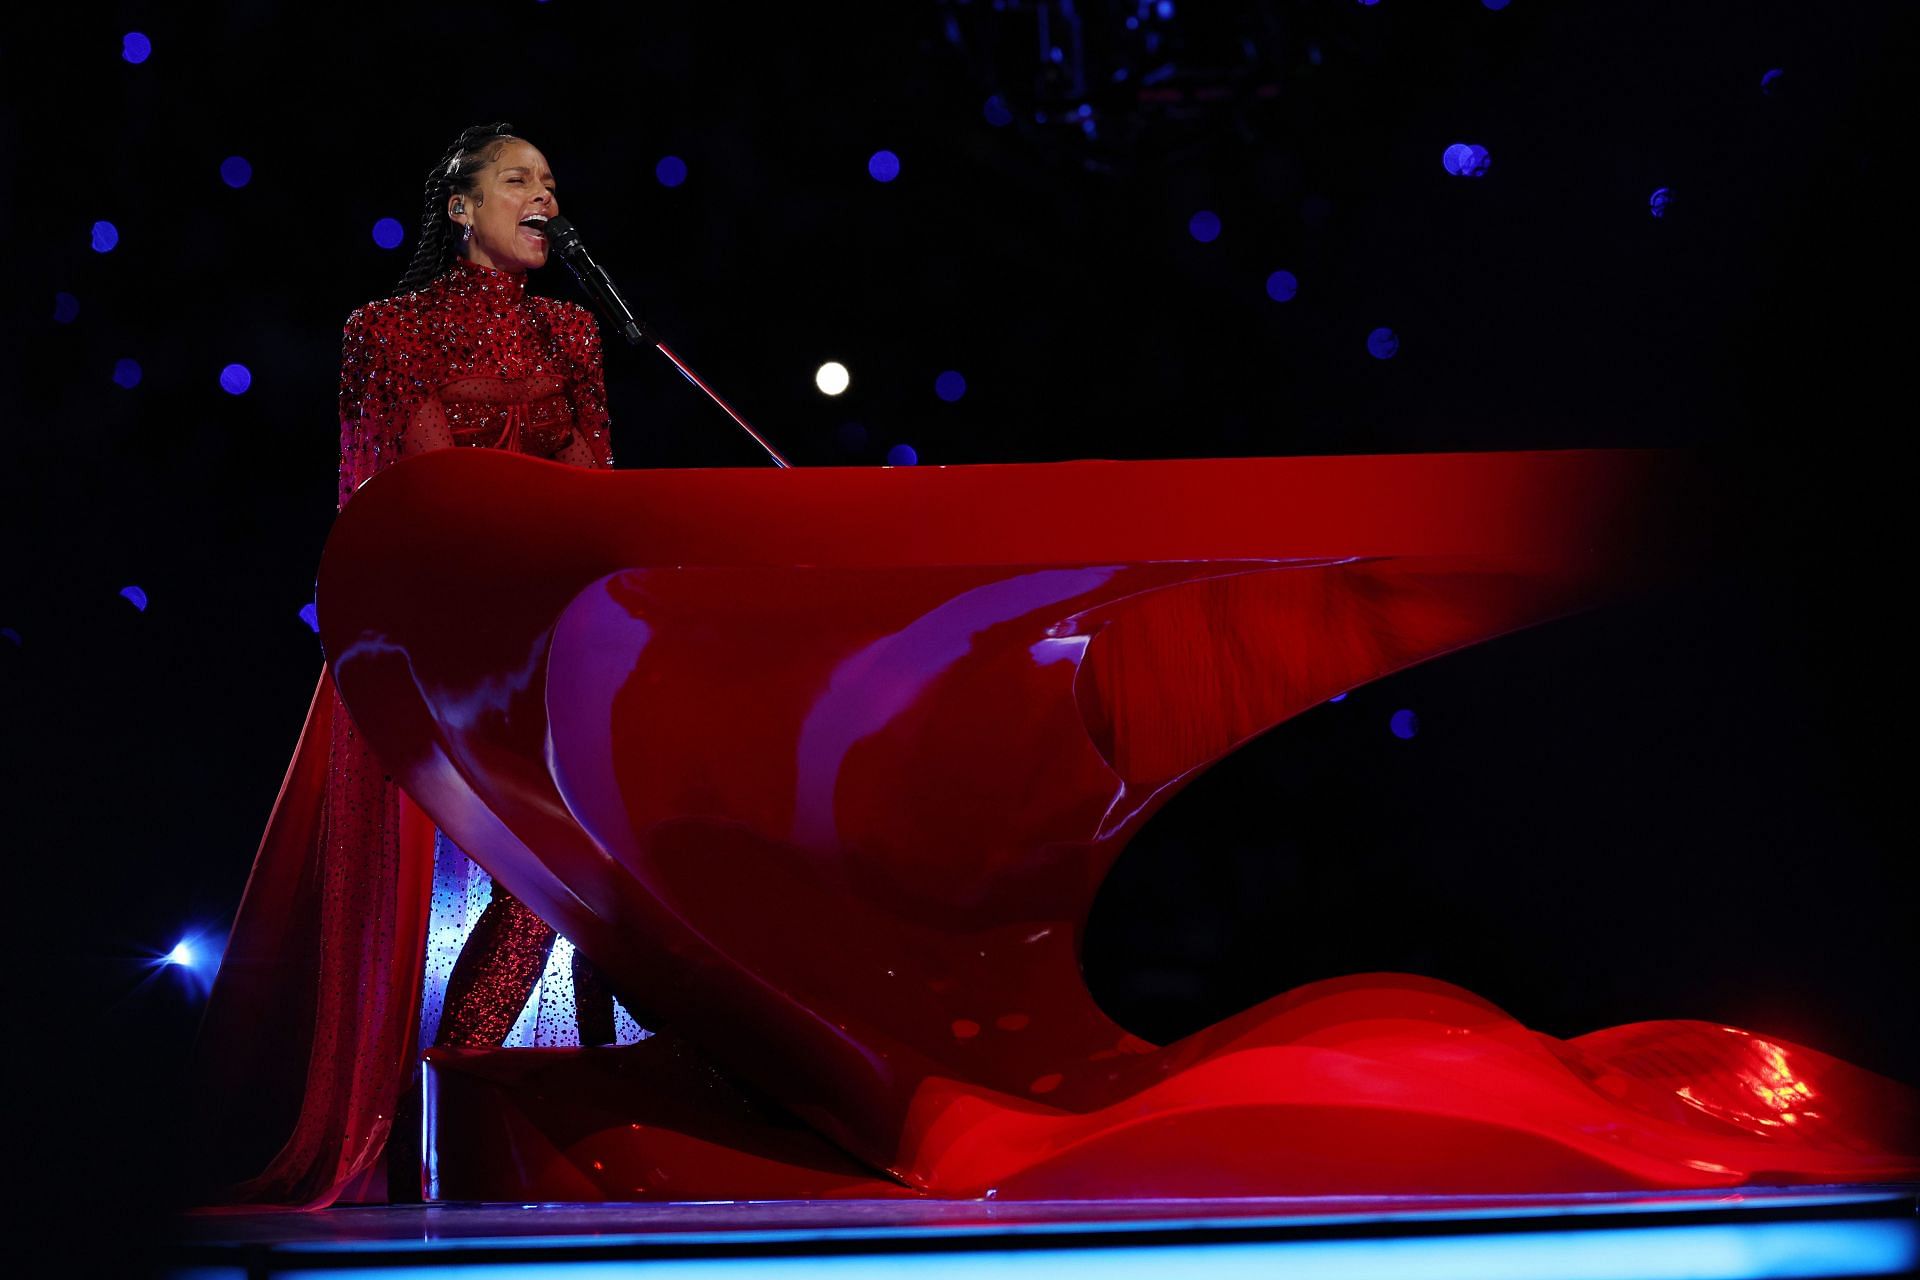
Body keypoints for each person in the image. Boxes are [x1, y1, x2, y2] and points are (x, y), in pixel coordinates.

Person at [194, 122, 622, 1209]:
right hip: (439, 640)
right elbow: (418, 483)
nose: (546, 195)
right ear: (461, 208)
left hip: (546, 638)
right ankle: (421, 1099)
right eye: (520, 179)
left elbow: (597, 487)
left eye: (552, 180)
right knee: (515, 852)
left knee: (571, 868)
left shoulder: (576, 328)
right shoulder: (386, 330)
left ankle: (467, 1074)